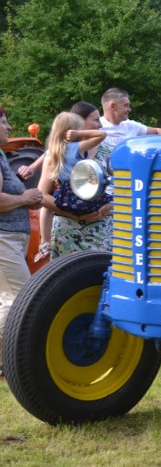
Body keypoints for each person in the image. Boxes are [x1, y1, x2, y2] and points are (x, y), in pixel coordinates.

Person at [0, 106, 44, 377]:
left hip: (10, 239)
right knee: (25, 297)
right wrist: (25, 198)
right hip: (3, 240)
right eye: (3, 122)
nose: (8, 127)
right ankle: (12, 361)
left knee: (8, 300)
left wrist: (18, 181)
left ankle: (4, 363)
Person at [37, 109, 112, 260]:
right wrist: (70, 214)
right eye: (96, 120)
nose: (100, 124)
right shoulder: (74, 148)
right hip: (69, 227)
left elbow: (123, 185)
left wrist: (110, 206)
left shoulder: (56, 152)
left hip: (99, 226)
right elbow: (41, 194)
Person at [100, 87, 161, 151]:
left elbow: (158, 131)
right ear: (113, 106)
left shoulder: (131, 126)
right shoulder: (96, 127)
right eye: (126, 105)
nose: (129, 109)